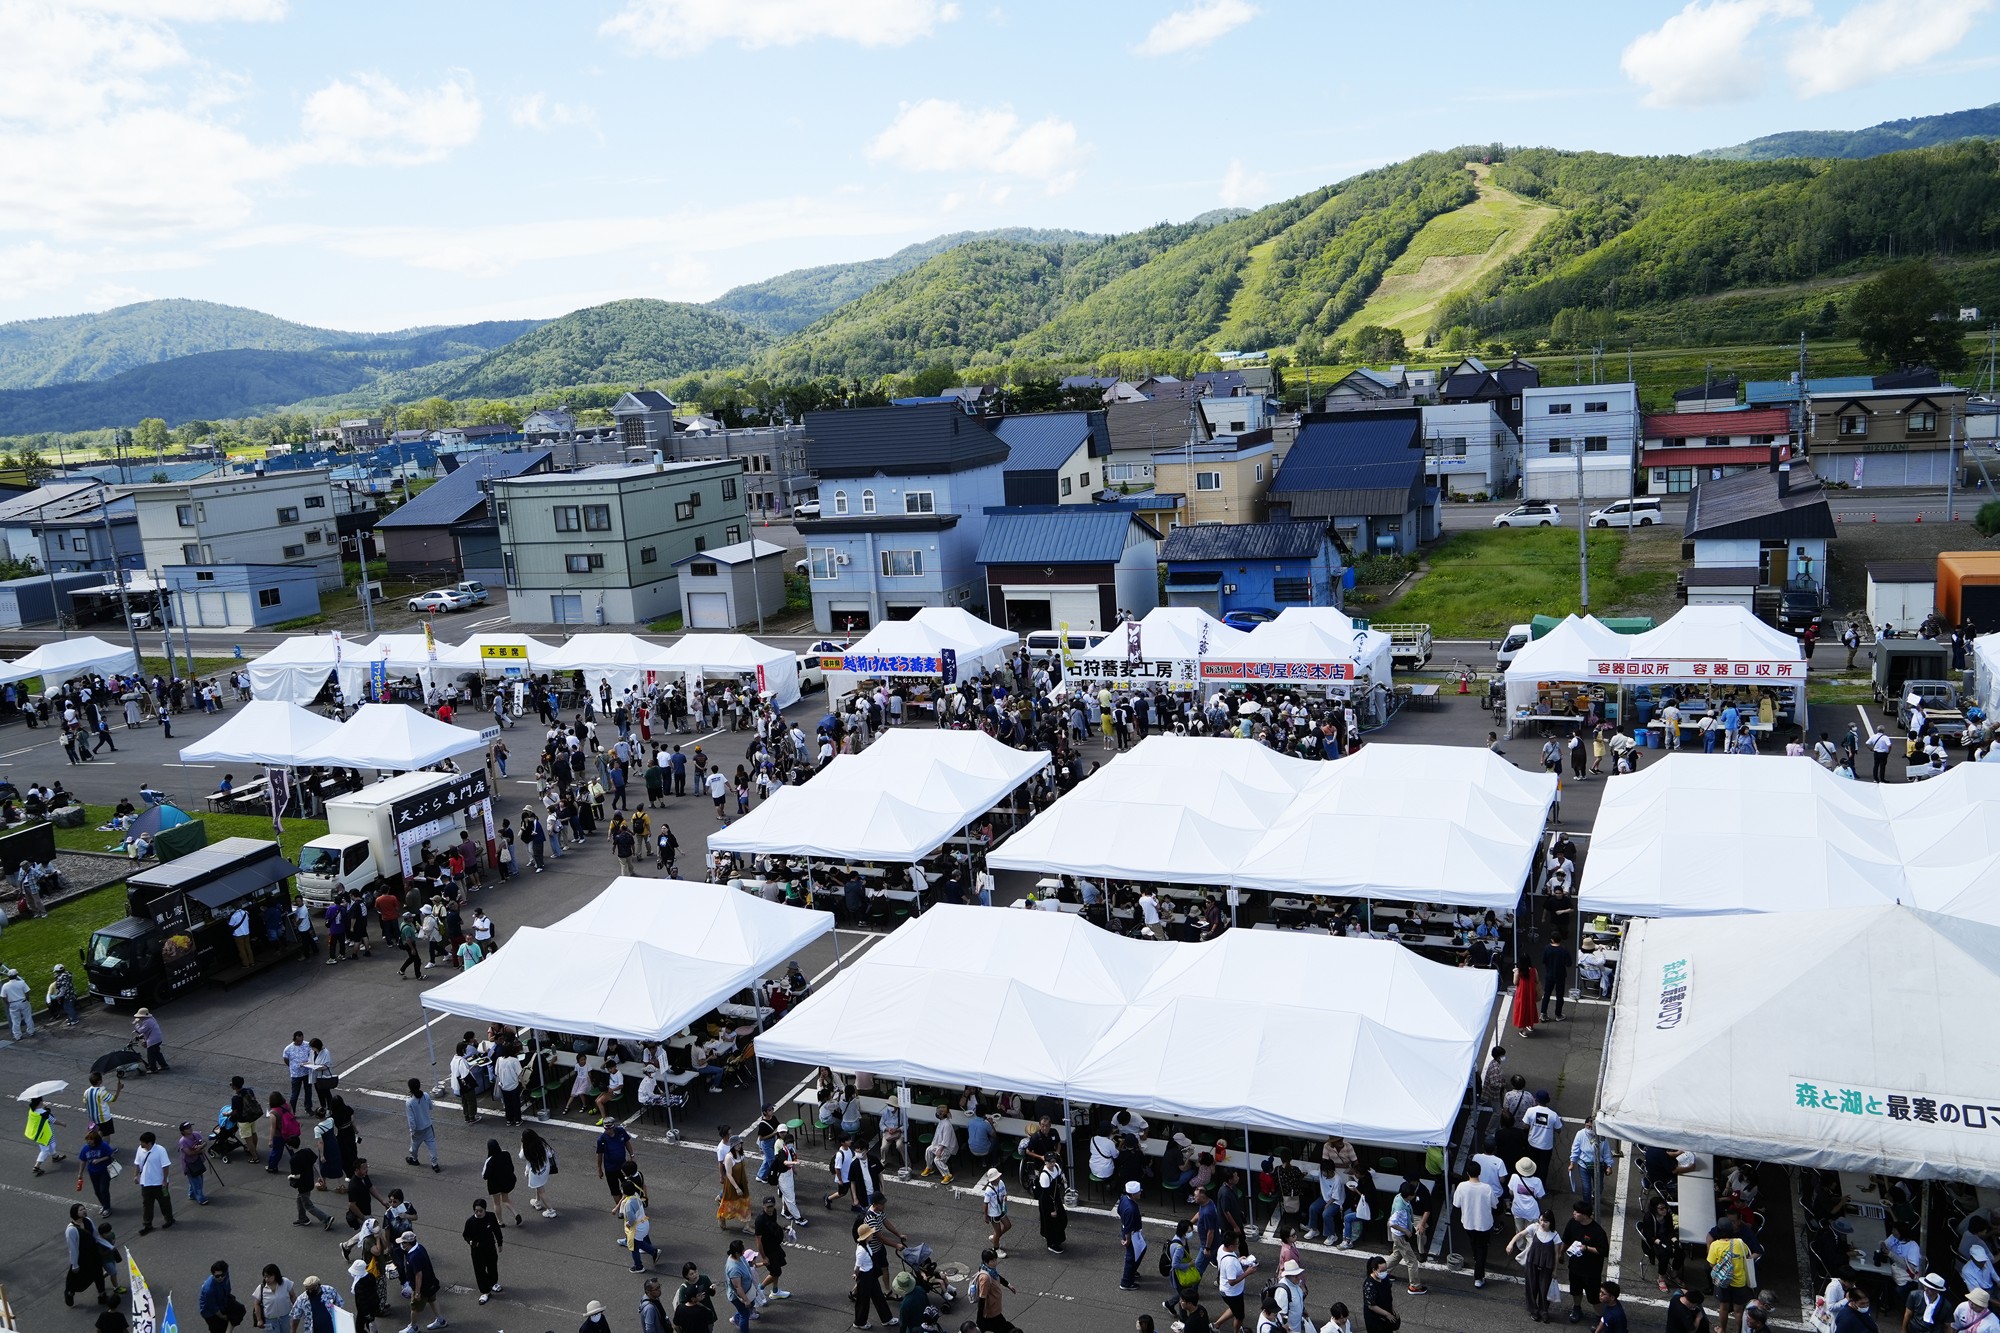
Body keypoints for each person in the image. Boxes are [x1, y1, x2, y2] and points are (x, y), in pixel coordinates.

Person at [1561, 1200, 1609, 1324]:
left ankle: (1600, 1318)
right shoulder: (1572, 1223)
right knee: (1575, 1291)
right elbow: (1566, 1240)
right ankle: (1577, 1308)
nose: (1574, 1213)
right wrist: (1560, 1253)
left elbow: (1604, 1251)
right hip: (1575, 1267)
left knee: (1594, 1297)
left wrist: (1587, 1248)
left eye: (1577, 1212)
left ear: (1585, 1215)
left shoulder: (1597, 1231)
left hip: (1591, 1271)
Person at [1508, 1210, 1560, 1324]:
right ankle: (1533, 1310)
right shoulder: (1534, 1228)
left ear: (1551, 1222)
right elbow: (1521, 1234)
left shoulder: (1555, 1235)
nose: (1542, 1223)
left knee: (1544, 1289)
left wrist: (1555, 1270)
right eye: (1541, 1220)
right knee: (1531, 1287)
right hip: (1532, 1263)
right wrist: (1511, 1243)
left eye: (1545, 1221)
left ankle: (1544, 1311)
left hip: (1547, 1266)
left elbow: (1557, 1254)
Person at [1453, 1158, 1497, 1288]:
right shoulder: (1486, 1188)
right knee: (1482, 1248)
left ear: (1467, 1173)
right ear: (1479, 1172)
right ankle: (1478, 1277)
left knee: (1474, 1243)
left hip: (1468, 1222)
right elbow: (1495, 1205)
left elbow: (1456, 1204)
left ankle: (1475, 1258)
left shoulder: (1462, 1187)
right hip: (1484, 1224)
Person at [1707, 1220, 1754, 1333]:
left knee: (1723, 1308)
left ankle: (1722, 1330)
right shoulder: (1740, 1243)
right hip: (1740, 1282)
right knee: (1739, 1310)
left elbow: (1711, 1263)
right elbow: (1747, 1255)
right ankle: (1739, 1331)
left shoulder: (1715, 1245)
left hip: (1723, 1282)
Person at [851, 1221, 895, 1329]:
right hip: (865, 1276)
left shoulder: (865, 1245)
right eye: (870, 1234)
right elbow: (856, 1267)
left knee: (878, 1296)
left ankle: (887, 1318)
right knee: (863, 1300)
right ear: (866, 1236)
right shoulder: (861, 1250)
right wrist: (856, 1274)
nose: (872, 1235)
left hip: (870, 1274)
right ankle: (859, 1322)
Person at [133, 1130, 176, 1234]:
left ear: (149, 1143)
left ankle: (169, 1219)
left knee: (164, 1202)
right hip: (146, 1183)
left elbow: (165, 1166)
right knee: (147, 1205)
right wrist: (136, 1175)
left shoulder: (160, 1150)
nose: (140, 1144)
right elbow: (137, 1163)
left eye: (142, 1142)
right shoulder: (140, 1149)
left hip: (159, 1183)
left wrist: (164, 1180)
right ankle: (147, 1224)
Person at [463, 1198, 504, 1303]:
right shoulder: (470, 1222)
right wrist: (471, 1242)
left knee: (492, 1267)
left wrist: (500, 1243)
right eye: (476, 1211)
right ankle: (485, 1291)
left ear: (485, 1209)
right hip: (477, 1251)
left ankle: (492, 1283)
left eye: (481, 1210)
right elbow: (465, 1235)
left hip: (490, 1248)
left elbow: (496, 1230)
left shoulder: (491, 1217)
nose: (478, 1213)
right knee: (480, 1271)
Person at [971, 1248, 1019, 1333]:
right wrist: (979, 1319)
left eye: (995, 1260)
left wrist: (1008, 1284)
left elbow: (997, 1276)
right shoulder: (985, 1278)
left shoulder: (989, 1270)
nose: (995, 1263)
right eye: (992, 1261)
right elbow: (982, 1299)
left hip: (994, 1309)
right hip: (991, 1312)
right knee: (1006, 1328)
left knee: (1002, 1327)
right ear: (986, 1262)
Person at [481, 1138, 523, 1225]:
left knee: (497, 1203)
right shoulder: (506, 1153)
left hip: (495, 1185)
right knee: (505, 1199)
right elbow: (511, 1167)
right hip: (506, 1182)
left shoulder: (490, 1160)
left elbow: (484, 1176)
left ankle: (500, 1222)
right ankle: (516, 1214)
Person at [404, 1079, 440, 1171]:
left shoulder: (409, 1102)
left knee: (414, 1147)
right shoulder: (426, 1096)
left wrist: (412, 1131)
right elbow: (431, 1107)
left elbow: (411, 1120)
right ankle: (435, 1164)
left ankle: (414, 1159)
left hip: (417, 1130)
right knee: (432, 1145)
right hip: (428, 1126)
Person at [522, 1128, 557, 1218]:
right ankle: (537, 1201)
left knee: (541, 1191)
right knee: (539, 1187)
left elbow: (521, 1156)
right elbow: (550, 1154)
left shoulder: (526, 1148)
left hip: (535, 1173)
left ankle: (551, 1210)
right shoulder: (542, 1143)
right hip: (545, 1169)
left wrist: (522, 1144)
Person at [1118, 1180, 1146, 1290]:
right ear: (1133, 1194)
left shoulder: (1124, 1199)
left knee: (1139, 1252)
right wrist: (1128, 1240)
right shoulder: (1130, 1209)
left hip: (1130, 1232)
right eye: (1139, 1191)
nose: (1141, 1193)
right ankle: (1126, 1282)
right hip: (1132, 1235)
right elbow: (1128, 1227)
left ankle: (1131, 1272)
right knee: (1132, 1257)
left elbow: (1119, 1211)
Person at [979, 1166, 1013, 1256]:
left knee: (1008, 1225)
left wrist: (1005, 1196)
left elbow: (1004, 1192)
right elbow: (985, 1203)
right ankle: (996, 1249)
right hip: (993, 1213)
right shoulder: (989, 1190)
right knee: (997, 1231)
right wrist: (985, 1216)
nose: (999, 1178)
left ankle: (995, 1238)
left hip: (1001, 1209)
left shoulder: (1001, 1182)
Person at [254, 1265, 296, 1333]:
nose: (266, 1279)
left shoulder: (285, 1282)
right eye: (265, 1276)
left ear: (275, 1275)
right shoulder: (261, 1288)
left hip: (285, 1317)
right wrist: (259, 1320)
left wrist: (297, 1309)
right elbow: (257, 1304)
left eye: (269, 1276)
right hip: (270, 1320)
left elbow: (293, 1296)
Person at [1360, 1255, 1397, 1333]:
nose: (1384, 1273)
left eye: (1385, 1270)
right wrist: (1387, 1314)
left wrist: (1392, 1309)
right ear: (1374, 1270)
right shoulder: (1369, 1285)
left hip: (1386, 1312)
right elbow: (1371, 1305)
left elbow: (1388, 1294)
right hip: (1375, 1319)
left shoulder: (1385, 1278)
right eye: (1381, 1271)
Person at [132, 1007, 168, 1071]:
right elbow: (149, 1030)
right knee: (157, 1053)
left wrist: (136, 1025)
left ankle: (153, 1069)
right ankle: (164, 1065)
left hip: (152, 1041)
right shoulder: (152, 1019)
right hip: (158, 1039)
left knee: (151, 1056)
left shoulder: (147, 1022)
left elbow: (141, 1030)